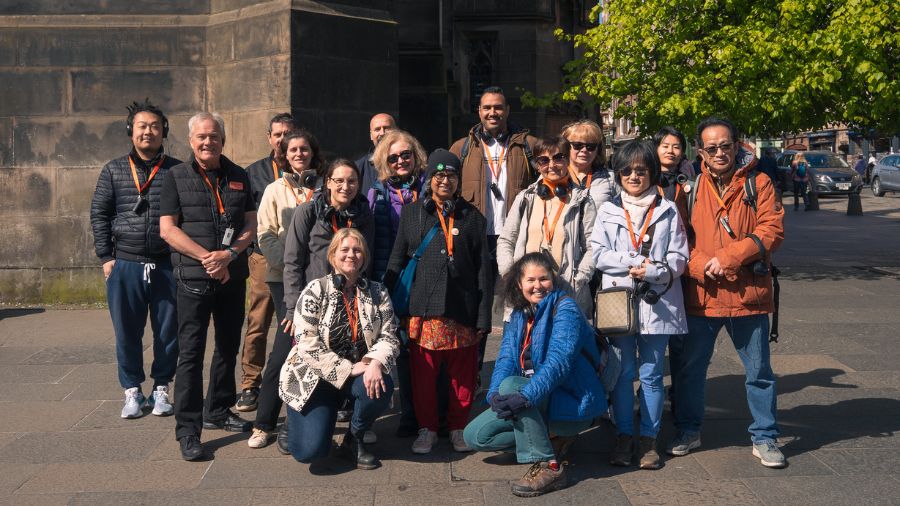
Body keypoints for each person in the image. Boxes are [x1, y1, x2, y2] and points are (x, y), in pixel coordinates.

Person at [667, 117, 786, 468]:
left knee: (760, 371)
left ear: (737, 145)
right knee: (690, 370)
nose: (720, 153)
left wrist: (728, 258)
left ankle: (765, 437)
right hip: (702, 295)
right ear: (701, 151)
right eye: (712, 147)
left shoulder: (759, 182)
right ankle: (689, 430)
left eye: (726, 145)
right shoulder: (687, 189)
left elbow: (772, 230)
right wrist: (702, 264)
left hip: (748, 294)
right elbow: (677, 239)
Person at [463, 252, 606, 498]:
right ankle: (551, 438)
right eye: (530, 280)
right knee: (475, 436)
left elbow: (558, 364)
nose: (537, 285)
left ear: (553, 279)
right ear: (519, 283)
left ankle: (549, 465)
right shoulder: (519, 314)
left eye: (544, 279)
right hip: (532, 399)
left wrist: (524, 396)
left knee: (511, 385)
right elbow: (506, 358)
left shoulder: (566, 309)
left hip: (571, 400)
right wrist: (494, 395)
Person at [159, 112, 256, 461]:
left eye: (213, 136)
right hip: (193, 279)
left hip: (231, 276)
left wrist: (229, 255)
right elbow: (168, 229)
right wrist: (208, 258)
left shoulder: (239, 176)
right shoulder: (175, 177)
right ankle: (188, 429)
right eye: (201, 136)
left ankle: (218, 408)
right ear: (191, 140)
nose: (207, 142)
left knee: (228, 346)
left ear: (222, 140)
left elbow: (250, 224)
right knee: (191, 354)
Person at [384, 149, 494, 455]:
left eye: (452, 175)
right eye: (439, 175)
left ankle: (458, 428)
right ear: (430, 178)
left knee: (462, 378)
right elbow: (395, 262)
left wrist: (483, 318)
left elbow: (485, 273)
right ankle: (427, 429)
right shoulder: (412, 214)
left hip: (463, 311)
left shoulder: (473, 218)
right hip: (423, 313)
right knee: (423, 379)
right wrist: (385, 305)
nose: (445, 181)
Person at [591, 140, 689, 470]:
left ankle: (648, 440)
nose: (634, 176)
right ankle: (623, 436)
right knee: (622, 374)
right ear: (619, 174)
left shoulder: (667, 209)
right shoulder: (607, 209)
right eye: (627, 170)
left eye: (641, 170)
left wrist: (655, 270)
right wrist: (632, 259)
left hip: (656, 301)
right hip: (619, 301)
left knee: (650, 374)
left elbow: (680, 257)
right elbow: (598, 255)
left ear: (652, 173)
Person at [278, 229, 400, 470]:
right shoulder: (315, 290)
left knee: (380, 384)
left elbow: (389, 335)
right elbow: (305, 342)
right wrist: (347, 368)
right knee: (309, 453)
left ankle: (354, 438)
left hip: (359, 372)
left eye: (357, 250)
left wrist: (375, 362)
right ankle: (299, 417)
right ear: (333, 256)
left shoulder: (378, 292)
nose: (351, 255)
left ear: (364, 257)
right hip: (315, 379)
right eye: (344, 250)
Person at [90, 99, 181, 419]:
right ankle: (131, 391)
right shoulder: (113, 170)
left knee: (169, 332)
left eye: (155, 126)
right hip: (125, 263)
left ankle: (161, 390)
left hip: (167, 265)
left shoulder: (177, 170)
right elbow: (99, 214)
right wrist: (106, 257)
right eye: (142, 126)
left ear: (164, 132)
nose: (148, 131)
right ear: (131, 131)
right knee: (127, 333)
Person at [281, 158, 376, 442]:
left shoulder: (364, 214)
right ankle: (288, 421)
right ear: (328, 183)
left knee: (348, 354)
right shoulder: (308, 211)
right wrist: (291, 307)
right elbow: (293, 262)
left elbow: (366, 260)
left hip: (349, 301)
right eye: (339, 180)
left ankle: (353, 421)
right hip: (312, 303)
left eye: (352, 181)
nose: (345, 186)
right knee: (297, 359)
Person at [449, 86, 537, 370]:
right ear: (479, 112)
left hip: (514, 237)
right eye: (487, 107)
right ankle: (472, 370)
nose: (492, 112)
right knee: (477, 307)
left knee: (519, 304)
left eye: (498, 107)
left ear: (507, 111)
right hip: (475, 237)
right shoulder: (462, 148)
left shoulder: (527, 146)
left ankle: (518, 366)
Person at [248, 129, 324, 451]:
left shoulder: (323, 187)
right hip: (285, 281)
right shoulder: (273, 190)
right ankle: (264, 423)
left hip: (322, 281)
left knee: (322, 346)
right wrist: (293, 265)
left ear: (312, 153)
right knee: (285, 348)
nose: (298, 154)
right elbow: (265, 234)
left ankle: (312, 415)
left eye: (304, 148)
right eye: (292, 149)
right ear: (283, 153)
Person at [365, 129, 427, 437]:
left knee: (428, 345)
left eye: (406, 155)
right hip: (392, 279)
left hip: (427, 277)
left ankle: (431, 411)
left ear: (416, 156)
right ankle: (408, 414)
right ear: (383, 162)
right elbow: (373, 242)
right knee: (401, 344)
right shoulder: (376, 194)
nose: (401, 161)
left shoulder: (430, 188)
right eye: (394, 157)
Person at [237, 112, 298, 412]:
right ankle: (250, 383)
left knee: (297, 322)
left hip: (299, 260)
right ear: (269, 138)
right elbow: (245, 216)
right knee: (259, 318)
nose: (283, 139)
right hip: (263, 257)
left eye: (288, 133)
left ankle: (295, 380)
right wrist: (250, 252)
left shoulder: (306, 169)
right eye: (278, 134)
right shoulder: (255, 172)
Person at [497, 136, 596, 317]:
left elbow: (593, 246)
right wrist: (510, 275)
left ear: (568, 159)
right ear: (537, 165)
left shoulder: (583, 201)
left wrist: (578, 279)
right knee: (521, 344)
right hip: (525, 292)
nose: (551, 165)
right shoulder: (525, 198)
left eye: (558, 158)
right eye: (543, 160)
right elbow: (506, 240)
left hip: (566, 291)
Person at [561, 119, 618, 210]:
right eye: (577, 145)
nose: (584, 150)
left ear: (597, 150)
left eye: (590, 146)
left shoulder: (611, 178)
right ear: (566, 147)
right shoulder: (555, 176)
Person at [356, 113, 397, 194]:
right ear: (371, 135)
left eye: (387, 128)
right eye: (377, 129)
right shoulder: (359, 167)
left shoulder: (408, 162)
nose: (382, 133)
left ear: (396, 131)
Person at [652, 126, 695, 201]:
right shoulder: (648, 181)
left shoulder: (689, 183)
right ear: (656, 149)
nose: (670, 151)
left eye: (676, 147)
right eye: (665, 146)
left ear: (682, 153)